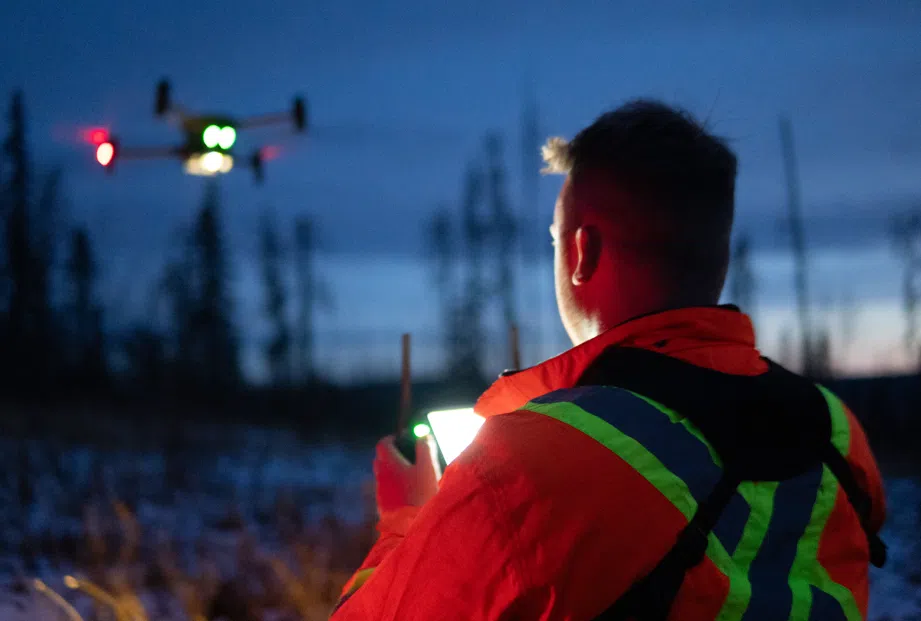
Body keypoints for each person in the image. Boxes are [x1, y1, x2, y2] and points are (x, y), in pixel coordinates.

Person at [330, 100, 887, 620]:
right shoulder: (839, 433)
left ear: (581, 252)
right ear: (715, 255)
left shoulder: (525, 462)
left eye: (556, 240)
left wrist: (407, 520)